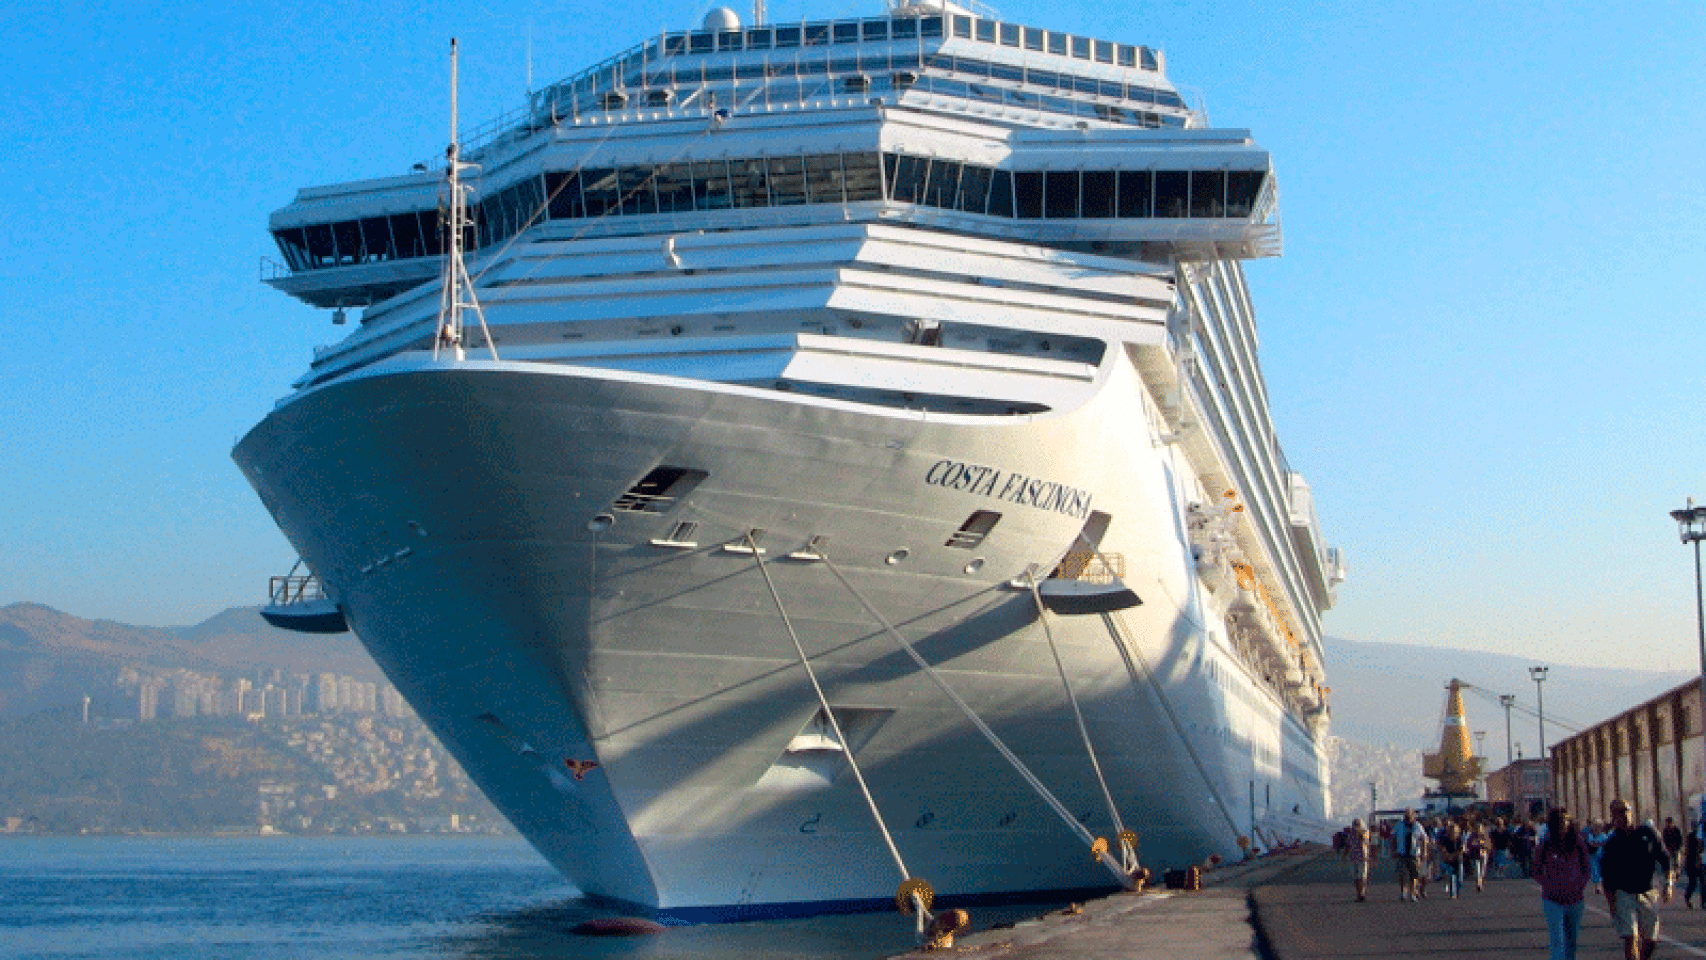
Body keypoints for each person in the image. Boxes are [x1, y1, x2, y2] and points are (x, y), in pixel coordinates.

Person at [1600, 799, 1671, 960]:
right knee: (1630, 937)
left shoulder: (1648, 832)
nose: (1623, 815)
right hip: (1624, 893)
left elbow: (1665, 858)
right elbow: (1607, 876)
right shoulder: (1612, 842)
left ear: (1631, 812)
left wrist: (1669, 885)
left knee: (1650, 940)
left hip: (1648, 891)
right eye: (1618, 812)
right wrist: (1611, 903)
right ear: (1613, 817)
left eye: (1626, 810)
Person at [1534, 807, 1592, 960]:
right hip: (1553, 900)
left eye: (1565, 820)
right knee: (1557, 940)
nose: (1563, 824)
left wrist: (1580, 885)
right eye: (1559, 821)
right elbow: (1536, 870)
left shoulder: (1578, 843)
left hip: (1576, 899)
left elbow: (1587, 868)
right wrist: (1548, 885)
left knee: (1571, 942)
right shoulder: (1546, 844)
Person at [1391, 808, 1426, 902]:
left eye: (1409, 814)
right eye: (1406, 814)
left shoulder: (1417, 826)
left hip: (1414, 853)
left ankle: (1413, 893)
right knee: (1402, 874)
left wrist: (1423, 852)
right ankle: (1403, 892)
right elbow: (1393, 837)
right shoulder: (1399, 825)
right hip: (1402, 853)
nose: (1407, 816)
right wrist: (1393, 850)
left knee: (1414, 875)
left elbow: (1424, 839)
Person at [1347, 817, 1373, 902]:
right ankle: (1359, 894)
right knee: (1356, 877)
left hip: (1363, 857)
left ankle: (1362, 893)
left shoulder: (1365, 833)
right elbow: (1348, 845)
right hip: (1353, 857)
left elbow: (1367, 843)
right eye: (1354, 824)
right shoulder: (1350, 834)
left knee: (1362, 877)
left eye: (1357, 824)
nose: (1355, 826)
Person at [1437, 821, 1464, 899]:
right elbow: (1442, 848)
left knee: (1460, 878)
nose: (1453, 832)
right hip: (1448, 860)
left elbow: (1461, 850)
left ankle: (1457, 891)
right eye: (1451, 831)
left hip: (1458, 860)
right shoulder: (1445, 839)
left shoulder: (1459, 839)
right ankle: (1453, 893)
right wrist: (1448, 856)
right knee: (1452, 876)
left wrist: (1453, 855)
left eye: (1454, 831)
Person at [1684, 822, 1704, 909]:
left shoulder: (1702, 838)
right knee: (1693, 883)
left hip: (1701, 862)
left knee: (1703, 883)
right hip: (1691, 862)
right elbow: (1689, 851)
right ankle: (1687, 898)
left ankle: (1703, 902)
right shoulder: (1691, 837)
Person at [1663, 817, 1684, 884]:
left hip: (1676, 849)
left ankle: (1676, 875)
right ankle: (1671, 877)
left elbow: (1680, 839)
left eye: (1668, 823)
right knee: (1669, 864)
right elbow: (1664, 840)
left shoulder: (1676, 829)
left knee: (1676, 864)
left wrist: (1679, 848)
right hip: (1669, 850)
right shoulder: (1665, 830)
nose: (1667, 824)